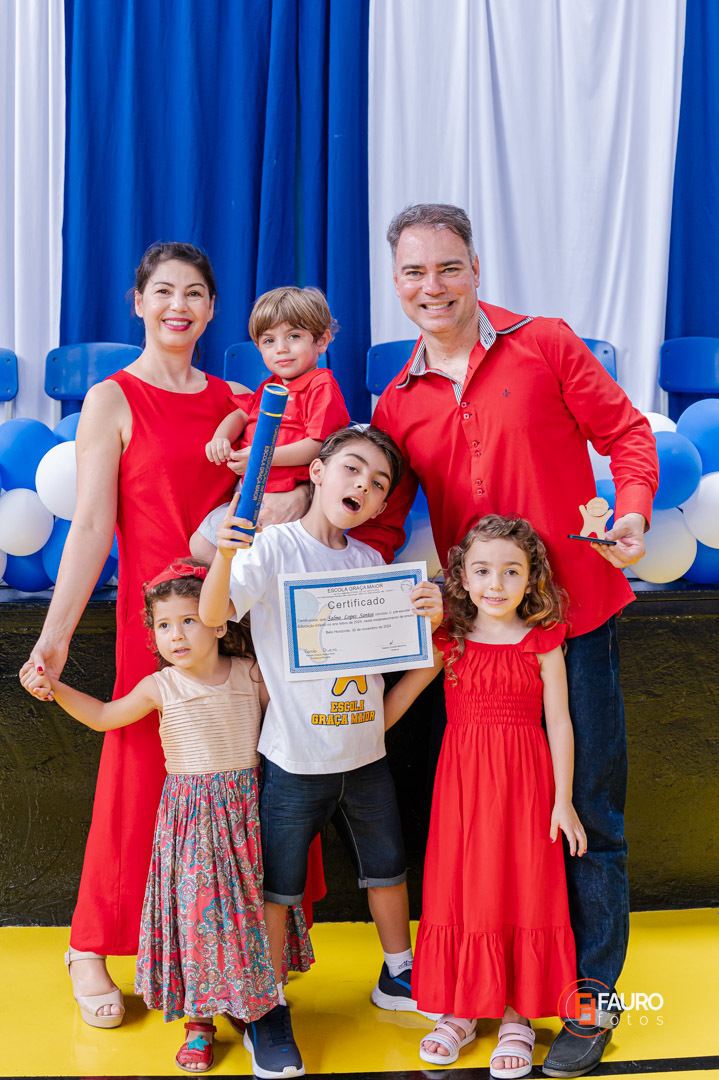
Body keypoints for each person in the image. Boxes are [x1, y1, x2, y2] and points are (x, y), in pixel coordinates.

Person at [351, 204, 660, 1077]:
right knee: (485, 831)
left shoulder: (547, 343)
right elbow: (379, 520)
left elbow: (627, 435)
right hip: (474, 648)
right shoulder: (395, 401)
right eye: (414, 273)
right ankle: (492, 992)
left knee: (588, 817)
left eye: (447, 267)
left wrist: (631, 512)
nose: (432, 287)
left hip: (575, 621)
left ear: (475, 268)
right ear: (396, 284)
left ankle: (588, 1002)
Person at [19, 242, 314, 1028]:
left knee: (239, 780)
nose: (177, 305)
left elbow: (282, 495)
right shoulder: (111, 399)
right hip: (153, 626)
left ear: (212, 310)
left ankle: (229, 953)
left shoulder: (237, 400)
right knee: (135, 778)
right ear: (138, 302)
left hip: (229, 617)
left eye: (193, 294)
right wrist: (54, 637)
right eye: (163, 291)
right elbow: (91, 525)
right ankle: (90, 945)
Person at [199, 426, 444, 1080]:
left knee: (387, 868)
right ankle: (266, 1005)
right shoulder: (274, 547)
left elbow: (409, 655)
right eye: (353, 469)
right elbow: (214, 615)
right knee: (278, 887)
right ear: (317, 471)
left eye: (378, 483)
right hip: (293, 760)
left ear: (382, 504)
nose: (363, 485)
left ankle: (397, 973)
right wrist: (224, 554)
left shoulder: (370, 565)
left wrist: (429, 614)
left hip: (365, 759)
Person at [21, 560, 313, 1073]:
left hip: (248, 817)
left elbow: (292, 713)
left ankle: (248, 1001)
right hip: (192, 823)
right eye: (163, 625)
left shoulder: (250, 673)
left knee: (248, 915)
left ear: (219, 623)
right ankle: (199, 1024)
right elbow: (104, 716)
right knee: (197, 919)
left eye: (189, 621)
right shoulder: (161, 686)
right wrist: (55, 688)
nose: (175, 635)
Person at [385, 515, 586, 1074]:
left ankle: (519, 1015)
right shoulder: (449, 641)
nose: (495, 583)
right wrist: (344, 733)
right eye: (482, 570)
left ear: (531, 578)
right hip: (463, 787)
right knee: (463, 886)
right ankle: (462, 1009)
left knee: (524, 886)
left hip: (527, 784)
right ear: (462, 578)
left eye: (511, 571)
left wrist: (563, 799)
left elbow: (560, 722)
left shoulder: (543, 642)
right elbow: (398, 701)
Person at [190, 285, 350, 561]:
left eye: (294, 336)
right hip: (248, 493)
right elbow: (242, 415)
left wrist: (261, 457)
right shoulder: (269, 387)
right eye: (269, 341)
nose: (282, 349)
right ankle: (234, 589)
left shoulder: (321, 385)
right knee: (201, 545)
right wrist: (220, 437)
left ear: (321, 341)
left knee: (264, 560)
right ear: (258, 348)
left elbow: (318, 445)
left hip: (290, 499)